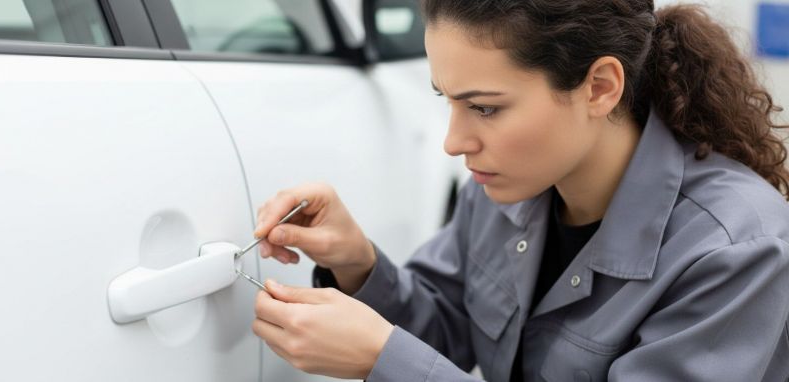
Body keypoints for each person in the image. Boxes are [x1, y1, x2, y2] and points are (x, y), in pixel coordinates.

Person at [249, 1, 789, 381]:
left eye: (484, 108)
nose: (454, 143)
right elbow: (443, 330)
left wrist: (383, 360)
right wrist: (357, 263)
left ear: (600, 87)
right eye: (447, 100)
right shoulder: (503, 190)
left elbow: (407, 359)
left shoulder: (733, 252)